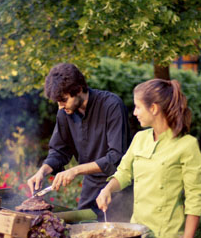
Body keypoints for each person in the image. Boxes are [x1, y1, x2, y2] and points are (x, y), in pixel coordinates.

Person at [96, 79, 201, 238]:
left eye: (138, 107)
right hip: (136, 233)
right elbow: (124, 173)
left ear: (153, 108)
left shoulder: (187, 145)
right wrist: (107, 189)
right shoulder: (140, 138)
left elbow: (194, 198)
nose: (134, 112)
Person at [27, 63, 132, 220]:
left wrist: (75, 170)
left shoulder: (111, 105)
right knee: (81, 234)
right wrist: (42, 171)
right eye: (57, 101)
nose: (60, 106)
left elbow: (116, 157)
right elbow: (59, 150)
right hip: (90, 187)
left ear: (78, 90)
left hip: (118, 187)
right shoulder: (64, 112)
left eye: (63, 100)